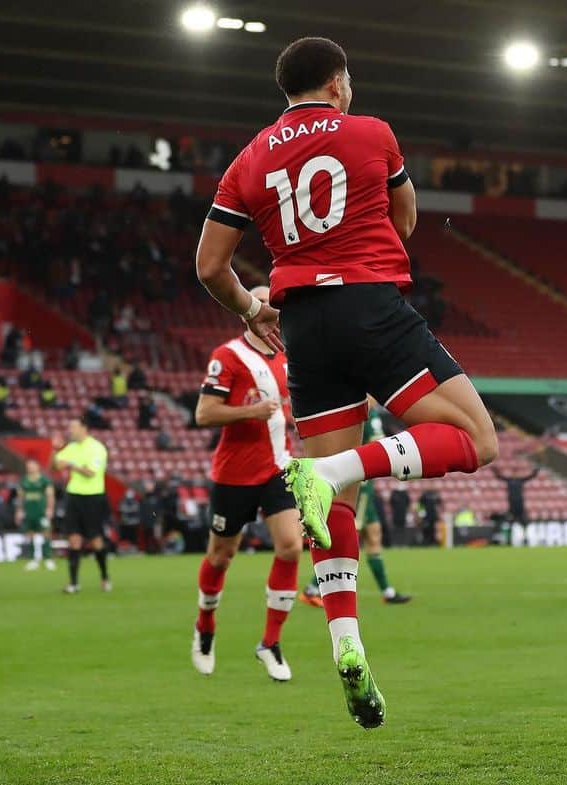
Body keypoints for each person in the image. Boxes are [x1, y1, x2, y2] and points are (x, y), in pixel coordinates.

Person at [195, 37, 498, 728]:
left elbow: (210, 265)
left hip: (302, 324)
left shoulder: (250, 157)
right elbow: (408, 218)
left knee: (338, 504)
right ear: (338, 83)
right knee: (477, 439)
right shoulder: (372, 133)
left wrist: (251, 307)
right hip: (371, 306)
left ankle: (347, 646)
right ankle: (328, 469)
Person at [190, 286, 303, 682]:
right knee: (221, 556)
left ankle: (270, 642)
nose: (275, 310)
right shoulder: (229, 356)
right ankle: (205, 625)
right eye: (267, 303)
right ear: (250, 313)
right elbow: (204, 414)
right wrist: (251, 411)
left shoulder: (289, 359)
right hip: (234, 475)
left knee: (291, 546)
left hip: (278, 469)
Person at [299, 404, 412, 608]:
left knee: (374, 534)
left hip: (364, 484)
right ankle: (313, 587)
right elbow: (377, 442)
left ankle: (387, 591)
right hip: (358, 484)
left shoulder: (362, 410)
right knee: (349, 536)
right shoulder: (367, 411)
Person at [52, 418, 111, 594]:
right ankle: (73, 583)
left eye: (73, 427)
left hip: (93, 497)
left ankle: (105, 576)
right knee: (74, 539)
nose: (70, 430)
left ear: (84, 428)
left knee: (95, 540)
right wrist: (55, 450)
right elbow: (54, 466)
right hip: (74, 496)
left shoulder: (97, 448)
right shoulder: (71, 448)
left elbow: (91, 473)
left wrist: (71, 465)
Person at [17, 458, 56, 571]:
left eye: (32, 466)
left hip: (42, 511)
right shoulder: (24, 481)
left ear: (37, 467)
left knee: (46, 533)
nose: (30, 468)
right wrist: (19, 510)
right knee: (30, 535)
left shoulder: (44, 480)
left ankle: (48, 558)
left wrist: (50, 508)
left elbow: (50, 496)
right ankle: (33, 559)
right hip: (29, 512)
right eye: (28, 466)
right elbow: (20, 497)